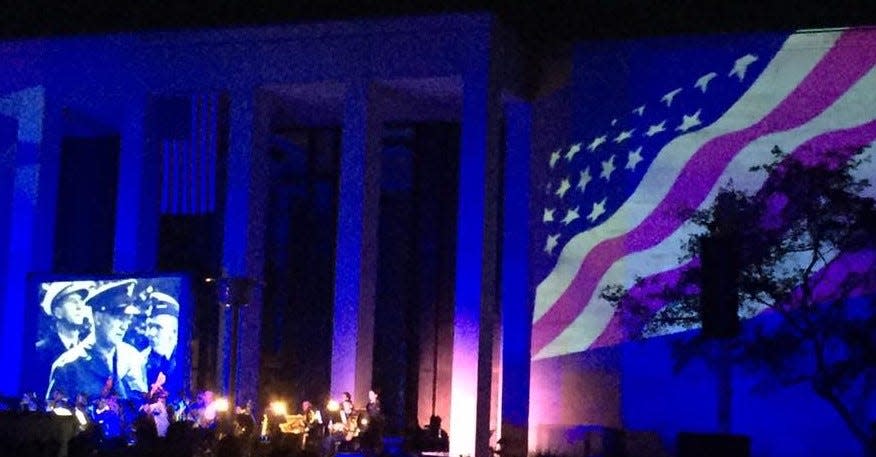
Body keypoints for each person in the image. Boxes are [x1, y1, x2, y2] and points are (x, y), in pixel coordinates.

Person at [46, 279, 148, 401]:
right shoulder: (68, 366)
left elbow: (142, 406)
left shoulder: (133, 358)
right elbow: (56, 413)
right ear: (97, 317)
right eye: (118, 318)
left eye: (127, 319)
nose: (124, 326)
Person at [35, 281, 95, 393]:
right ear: (58, 312)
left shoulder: (90, 352)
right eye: (73, 301)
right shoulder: (40, 351)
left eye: (81, 301)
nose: (80, 306)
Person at [141, 291, 179, 389]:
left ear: (174, 332)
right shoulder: (139, 361)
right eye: (149, 326)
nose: (150, 333)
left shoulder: (186, 361)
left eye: (158, 327)